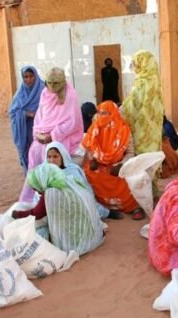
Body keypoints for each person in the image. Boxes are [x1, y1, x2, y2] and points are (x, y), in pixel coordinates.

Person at [19, 67, 83, 202]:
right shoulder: (44, 93)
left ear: (62, 82)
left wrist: (52, 136)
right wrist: (37, 133)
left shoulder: (70, 95)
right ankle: (31, 200)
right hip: (43, 134)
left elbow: (72, 122)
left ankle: (50, 201)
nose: (52, 87)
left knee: (51, 155)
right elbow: (39, 116)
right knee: (35, 152)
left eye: (56, 83)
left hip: (62, 136)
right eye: (49, 83)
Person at [13, 163, 104, 255]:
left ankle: (66, 244)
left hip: (74, 239)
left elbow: (37, 213)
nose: (37, 191)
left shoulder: (50, 193)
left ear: (43, 181)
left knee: (38, 234)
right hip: (90, 233)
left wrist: (18, 214)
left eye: (36, 188)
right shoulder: (70, 181)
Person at [82, 101, 145, 220]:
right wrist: (92, 160)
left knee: (128, 178)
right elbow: (89, 147)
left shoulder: (123, 129)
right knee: (89, 175)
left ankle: (134, 207)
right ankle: (102, 209)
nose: (102, 117)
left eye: (106, 114)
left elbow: (130, 152)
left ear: (114, 114)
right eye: (100, 113)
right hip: (99, 163)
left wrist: (121, 164)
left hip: (118, 164)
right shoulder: (95, 127)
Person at [121, 50, 164, 197]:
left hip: (141, 130)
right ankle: (152, 192)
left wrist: (117, 111)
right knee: (151, 159)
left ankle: (142, 197)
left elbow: (132, 106)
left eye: (136, 63)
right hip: (153, 129)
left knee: (141, 161)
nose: (134, 66)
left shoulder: (141, 83)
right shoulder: (155, 80)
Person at [45, 141, 123, 219]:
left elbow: (82, 192)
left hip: (75, 202)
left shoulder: (72, 170)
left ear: (62, 157)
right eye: (49, 157)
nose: (52, 160)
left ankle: (107, 213)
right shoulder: (44, 171)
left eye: (55, 156)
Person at [9, 66, 45, 174]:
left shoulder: (43, 90)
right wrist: (26, 114)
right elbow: (12, 113)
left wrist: (38, 114)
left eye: (31, 76)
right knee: (27, 154)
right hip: (24, 130)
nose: (28, 80)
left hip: (40, 129)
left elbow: (50, 108)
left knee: (40, 155)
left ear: (35, 76)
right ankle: (29, 178)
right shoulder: (20, 93)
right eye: (25, 77)